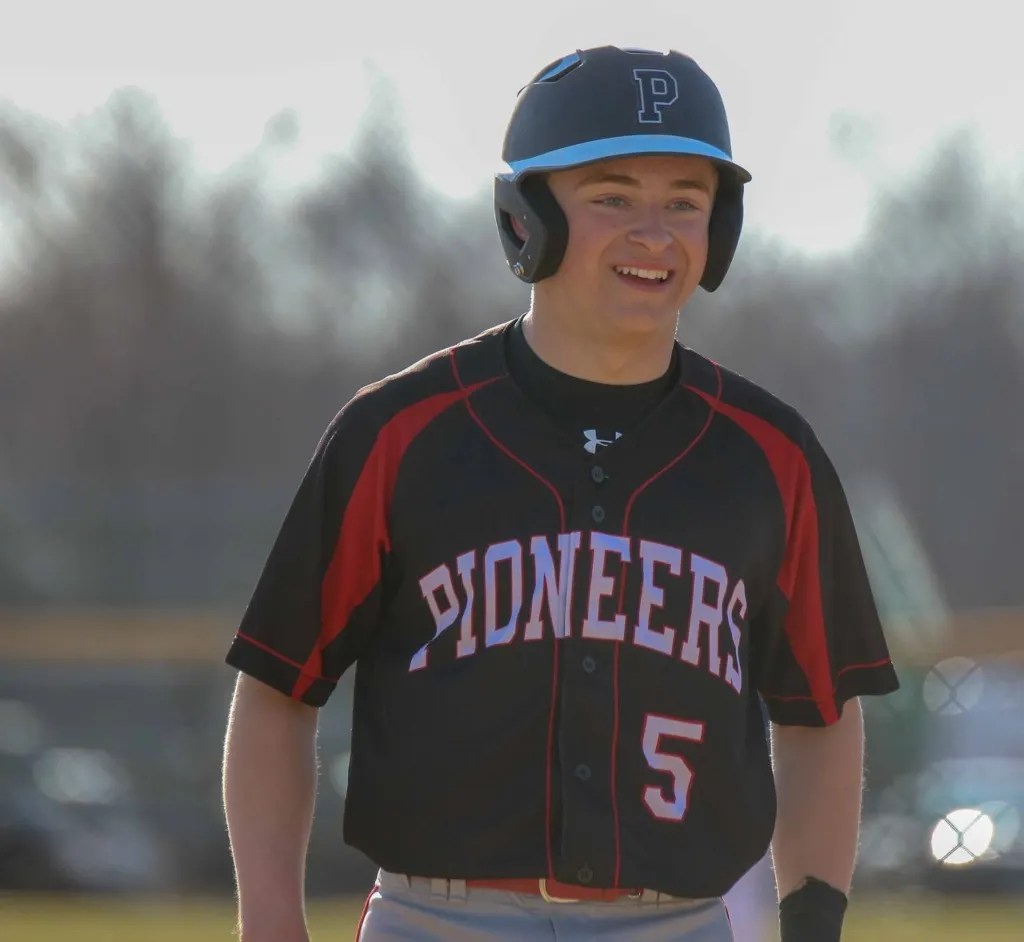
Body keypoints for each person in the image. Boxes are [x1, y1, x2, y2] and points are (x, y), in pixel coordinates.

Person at [222, 45, 900, 942]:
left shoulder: (771, 456)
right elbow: (278, 690)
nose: (653, 235)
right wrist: (271, 923)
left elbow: (820, 713)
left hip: (680, 922)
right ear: (526, 218)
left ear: (720, 231)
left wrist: (812, 925)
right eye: (613, 197)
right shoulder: (399, 434)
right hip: (437, 919)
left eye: (685, 204)